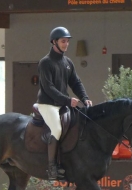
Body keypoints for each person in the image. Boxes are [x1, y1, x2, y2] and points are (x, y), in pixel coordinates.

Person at [37, 26, 92, 180]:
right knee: (56, 130)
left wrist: (84, 97)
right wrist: (68, 100)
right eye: (63, 41)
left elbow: (75, 82)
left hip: (62, 104)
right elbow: (49, 88)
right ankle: (52, 167)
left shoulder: (68, 62)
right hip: (48, 104)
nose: (66, 44)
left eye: (67, 41)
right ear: (54, 42)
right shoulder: (45, 62)